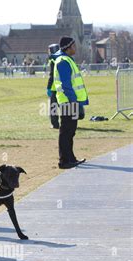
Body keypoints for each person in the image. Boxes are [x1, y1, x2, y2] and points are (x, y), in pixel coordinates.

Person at [53, 37, 88, 169]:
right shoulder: (63, 61)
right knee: (66, 131)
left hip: (71, 101)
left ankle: (70, 158)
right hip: (68, 101)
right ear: (68, 47)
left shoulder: (67, 60)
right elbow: (66, 85)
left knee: (70, 132)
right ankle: (64, 161)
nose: (75, 48)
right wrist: (75, 102)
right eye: (73, 46)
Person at [46, 43, 61, 129]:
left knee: (53, 107)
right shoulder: (62, 58)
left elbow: (52, 75)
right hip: (63, 86)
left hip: (54, 87)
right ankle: (67, 123)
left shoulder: (52, 59)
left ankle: (55, 124)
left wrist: (48, 87)